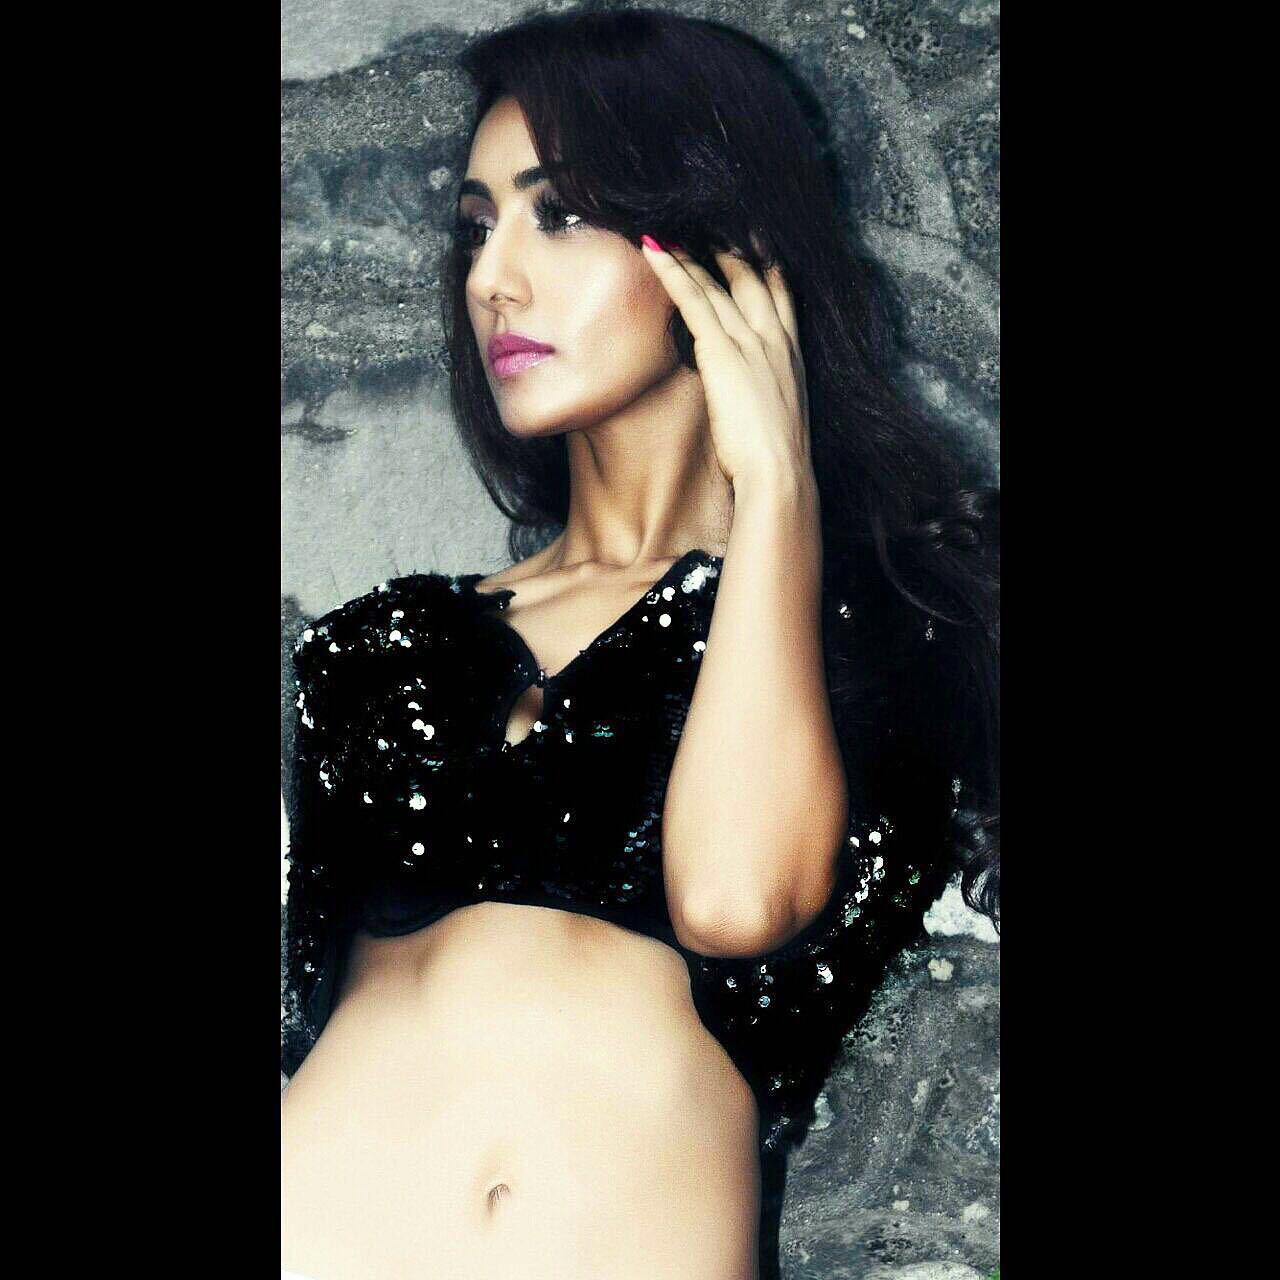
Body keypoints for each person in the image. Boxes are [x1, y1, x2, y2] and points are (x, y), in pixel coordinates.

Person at [280, 7, 999, 1280]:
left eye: (556, 214)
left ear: (724, 248)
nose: (492, 277)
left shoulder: (890, 633)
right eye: (474, 227)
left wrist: (774, 486)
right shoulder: (377, 648)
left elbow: (732, 899)